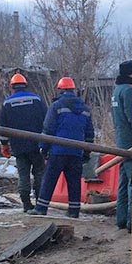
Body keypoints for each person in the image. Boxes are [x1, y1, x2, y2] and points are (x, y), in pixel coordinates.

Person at [31, 77, 94, 218]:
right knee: (74, 182)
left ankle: (41, 207)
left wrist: (44, 148)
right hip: (77, 151)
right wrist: (87, 152)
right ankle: (74, 210)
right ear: (73, 90)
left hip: (58, 150)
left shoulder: (56, 106)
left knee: (49, 179)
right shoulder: (85, 109)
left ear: (60, 90)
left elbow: (48, 129)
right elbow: (89, 132)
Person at [0, 72, 47, 212]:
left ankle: (26, 203)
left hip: (18, 145)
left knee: (23, 174)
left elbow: (3, 126)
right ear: (25, 85)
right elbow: (47, 121)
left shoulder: (7, 102)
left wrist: (4, 145)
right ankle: (40, 202)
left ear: (12, 87)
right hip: (37, 144)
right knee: (39, 173)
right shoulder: (37, 99)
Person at [111, 59, 132, 230]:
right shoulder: (131, 92)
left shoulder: (116, 91)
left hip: (120, 140)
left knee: (123, 181)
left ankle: (121, 218)